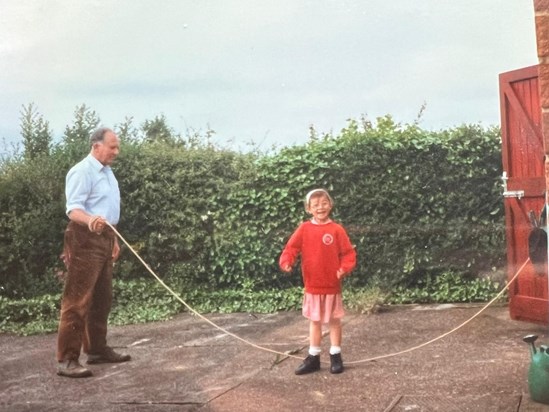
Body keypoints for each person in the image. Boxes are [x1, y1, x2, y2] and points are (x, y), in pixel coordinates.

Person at [56, 127, 131, 378]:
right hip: (85, 239)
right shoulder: (82, 171)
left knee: (102, 298)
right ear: (96, 146)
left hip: (106, 238)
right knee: (77, 301)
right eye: (112, 147)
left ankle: (97, 350)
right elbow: (73, 210)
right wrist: (90, 221)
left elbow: (108, 210)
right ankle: (66, 360)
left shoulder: (108, 173)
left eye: (117, 147)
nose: (116, 152)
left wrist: (114, 240)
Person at [279, 188, 356, 375]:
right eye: (315, 205)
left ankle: (336, 356)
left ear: (330, 205)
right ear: (308, 208)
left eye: (324, 203)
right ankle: (313, 358)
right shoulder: (304, 228)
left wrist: (344, 268)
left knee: (334, 321)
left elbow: (348, 253)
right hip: (312, 285)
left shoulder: (336, 229)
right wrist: (287, 261)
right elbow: (291, 248)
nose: (320, 208)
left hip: (332, 285)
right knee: (315, 321)